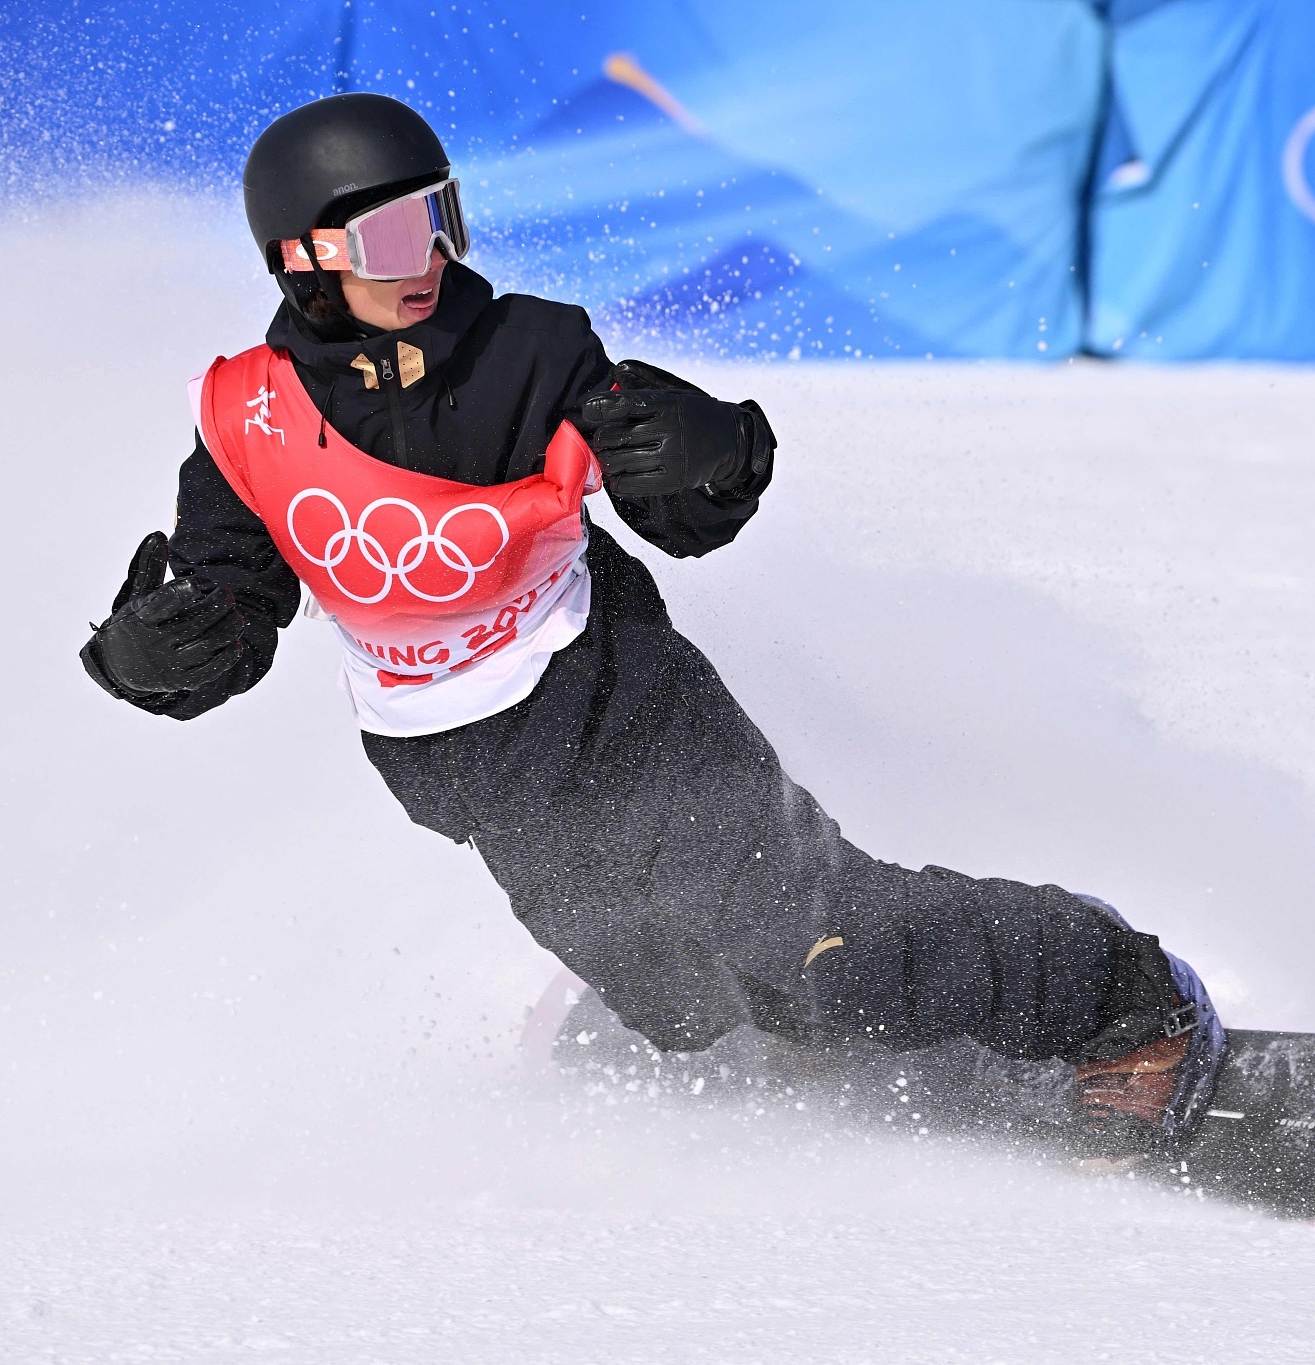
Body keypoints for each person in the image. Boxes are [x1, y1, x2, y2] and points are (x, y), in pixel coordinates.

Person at [79, 93, 1226, 1150]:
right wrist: (153, 653)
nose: (425, 257)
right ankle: (791, 1025)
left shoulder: (524, 353)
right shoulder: (248, 416)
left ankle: (1121, 997)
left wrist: (711, 453)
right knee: (678, 1008)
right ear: (304, 261)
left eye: (438, 219)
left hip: (616, 700)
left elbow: (672, 506)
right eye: (386, 238)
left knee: (820, 939)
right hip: (465, 767)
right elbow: (232, 596)